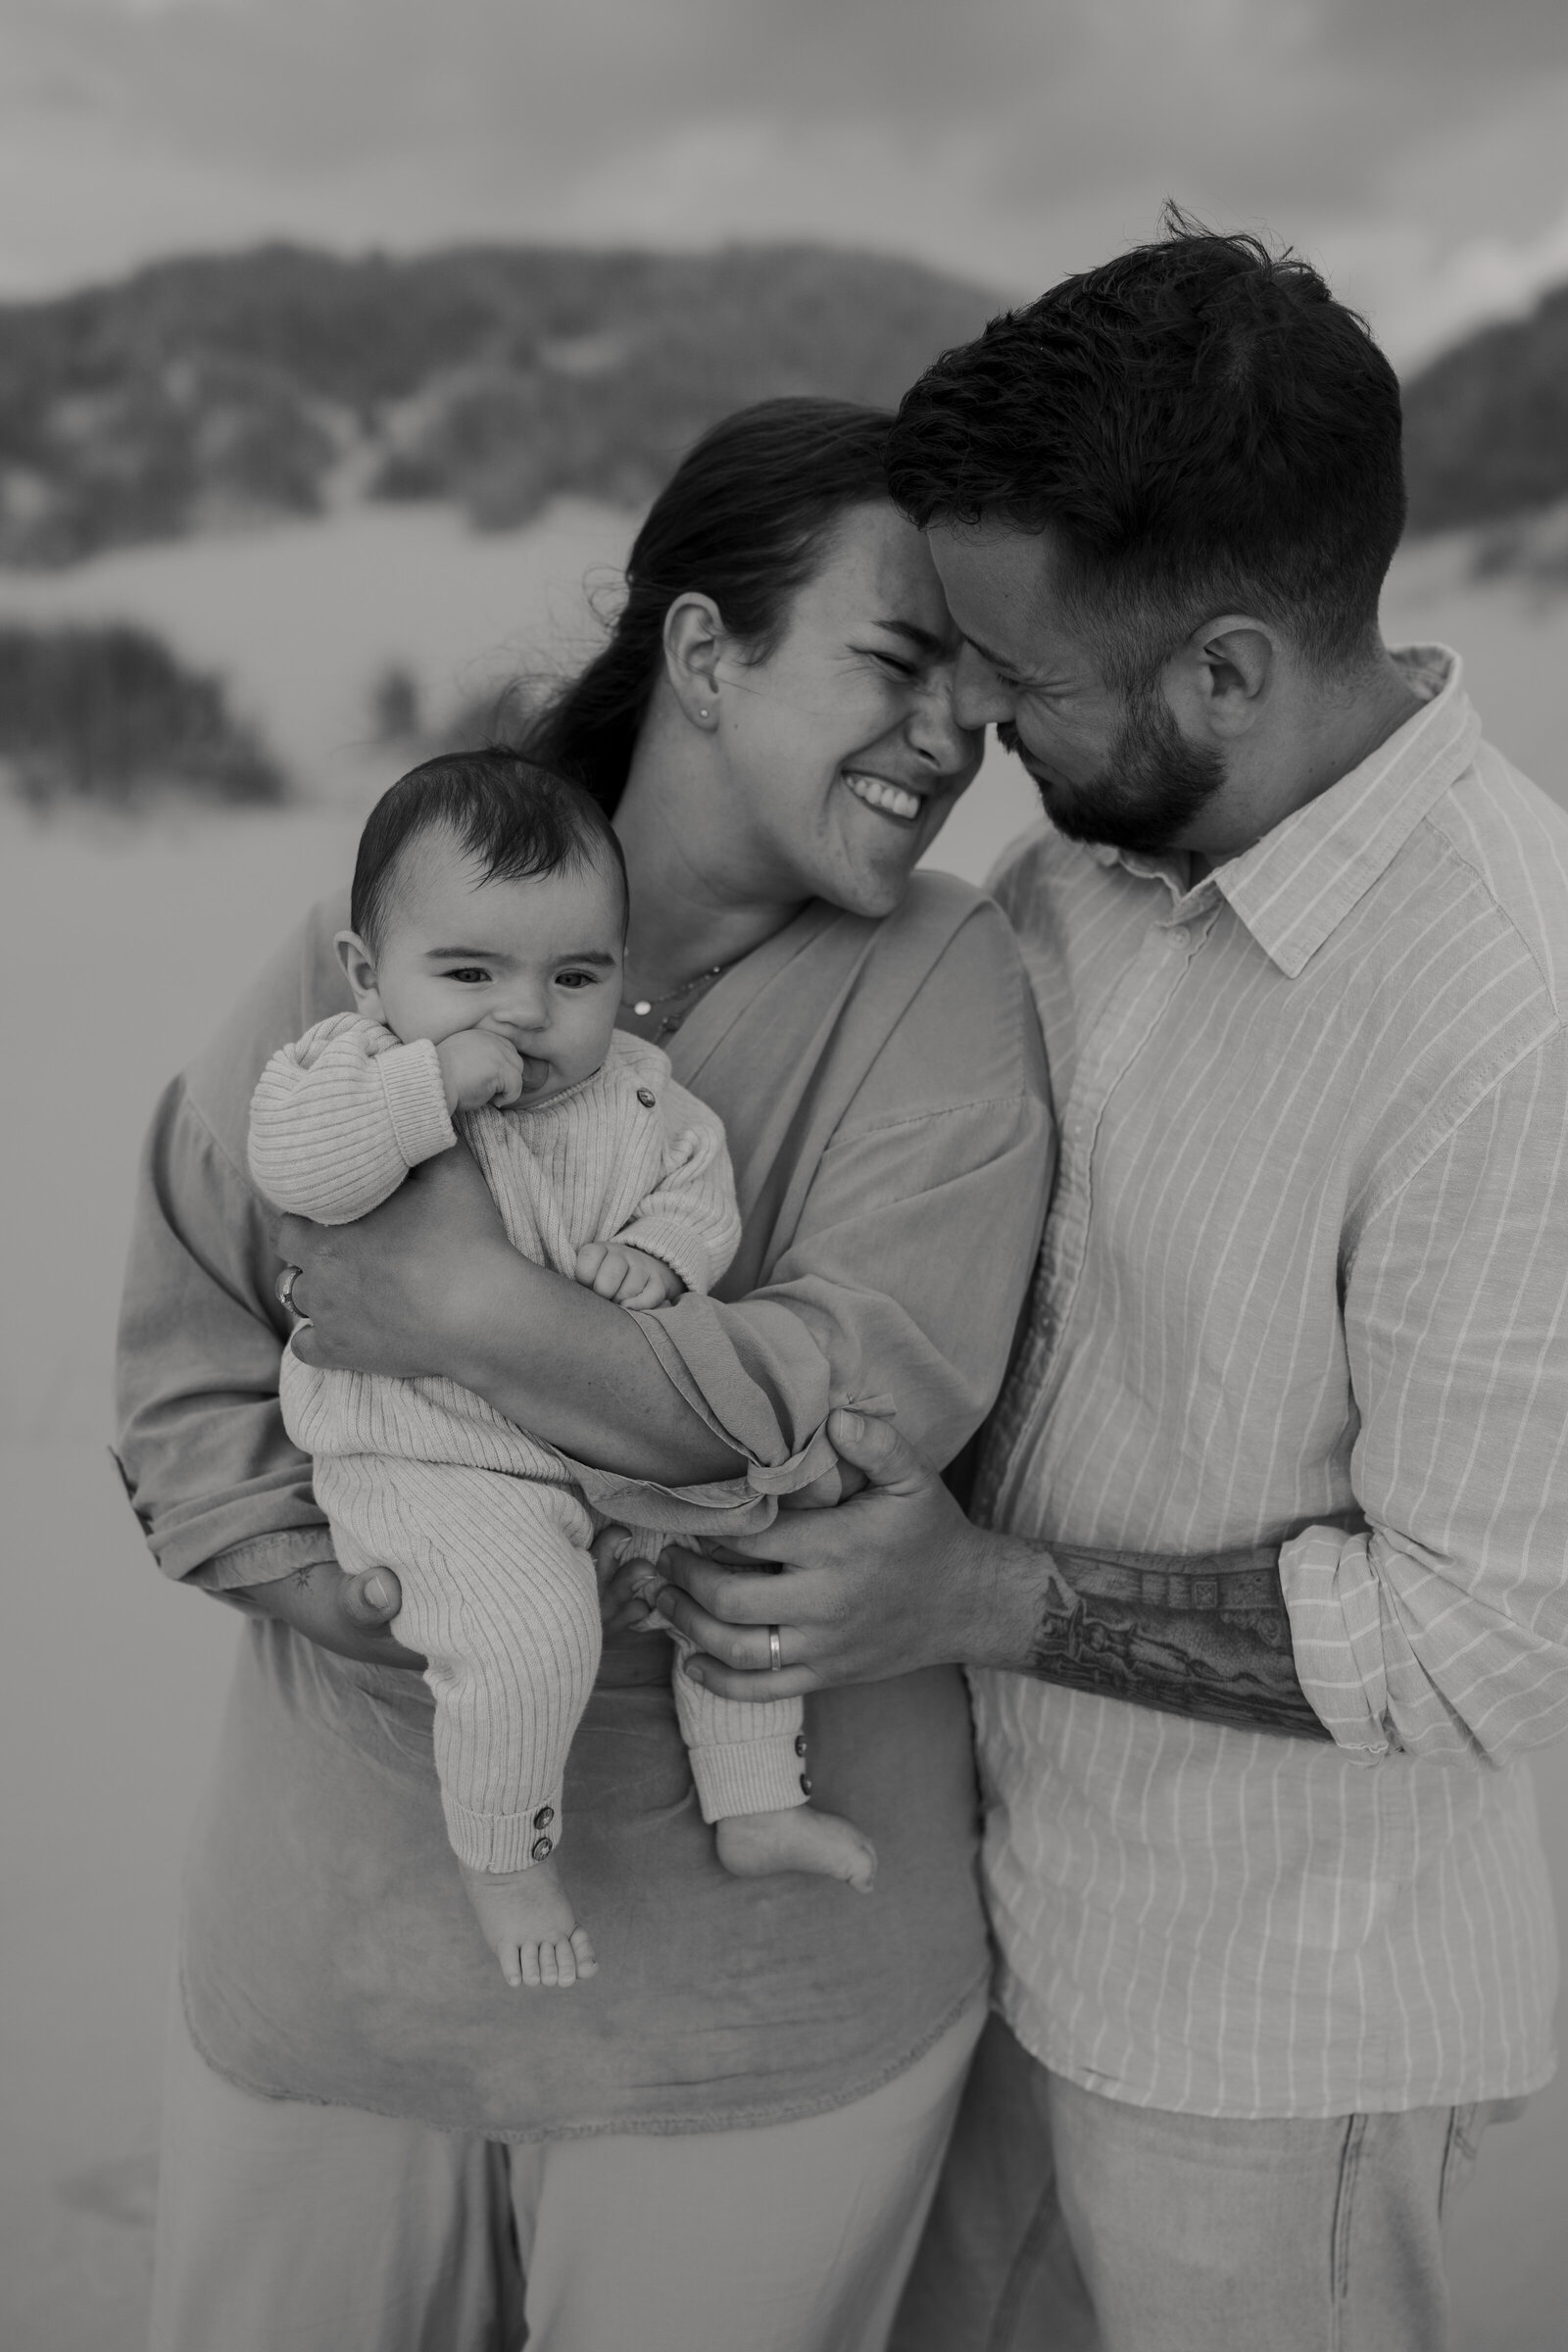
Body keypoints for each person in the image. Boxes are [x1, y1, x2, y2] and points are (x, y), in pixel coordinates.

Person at [644, 227, 1568, 2352]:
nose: (960, 711)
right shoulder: (1064, 883)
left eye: (1004, 666)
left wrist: (975, 1598)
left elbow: (1478, 1636)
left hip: (1280, 2048)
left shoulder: (1509, 1015)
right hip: (1008, 1942)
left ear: (1222, 674)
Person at [116, 397, 1054, 2352]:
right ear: (703, 653)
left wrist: (462, 1313)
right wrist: (365, 1589)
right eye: (895, 665)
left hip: (764, 2014)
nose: (950, 740)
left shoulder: (943, 980)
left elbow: (866, 1401)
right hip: (336, 1955)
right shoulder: (383, 941)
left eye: (978, 691)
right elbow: (190, 1366)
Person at [249, 749, 879, 1996]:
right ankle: (506, 1857)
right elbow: (301, 1171)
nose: (524, 1014)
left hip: (596, 1441)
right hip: (430, 1458)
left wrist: (659, 1254)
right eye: (470, 975)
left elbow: (703, 1199)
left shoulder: (644, 1102)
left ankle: (753, 1799)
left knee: (748, 1547)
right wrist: (428, 1086)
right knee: (529, 1635)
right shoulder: (341, 1072)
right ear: (372, 977)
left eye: (574, 976)